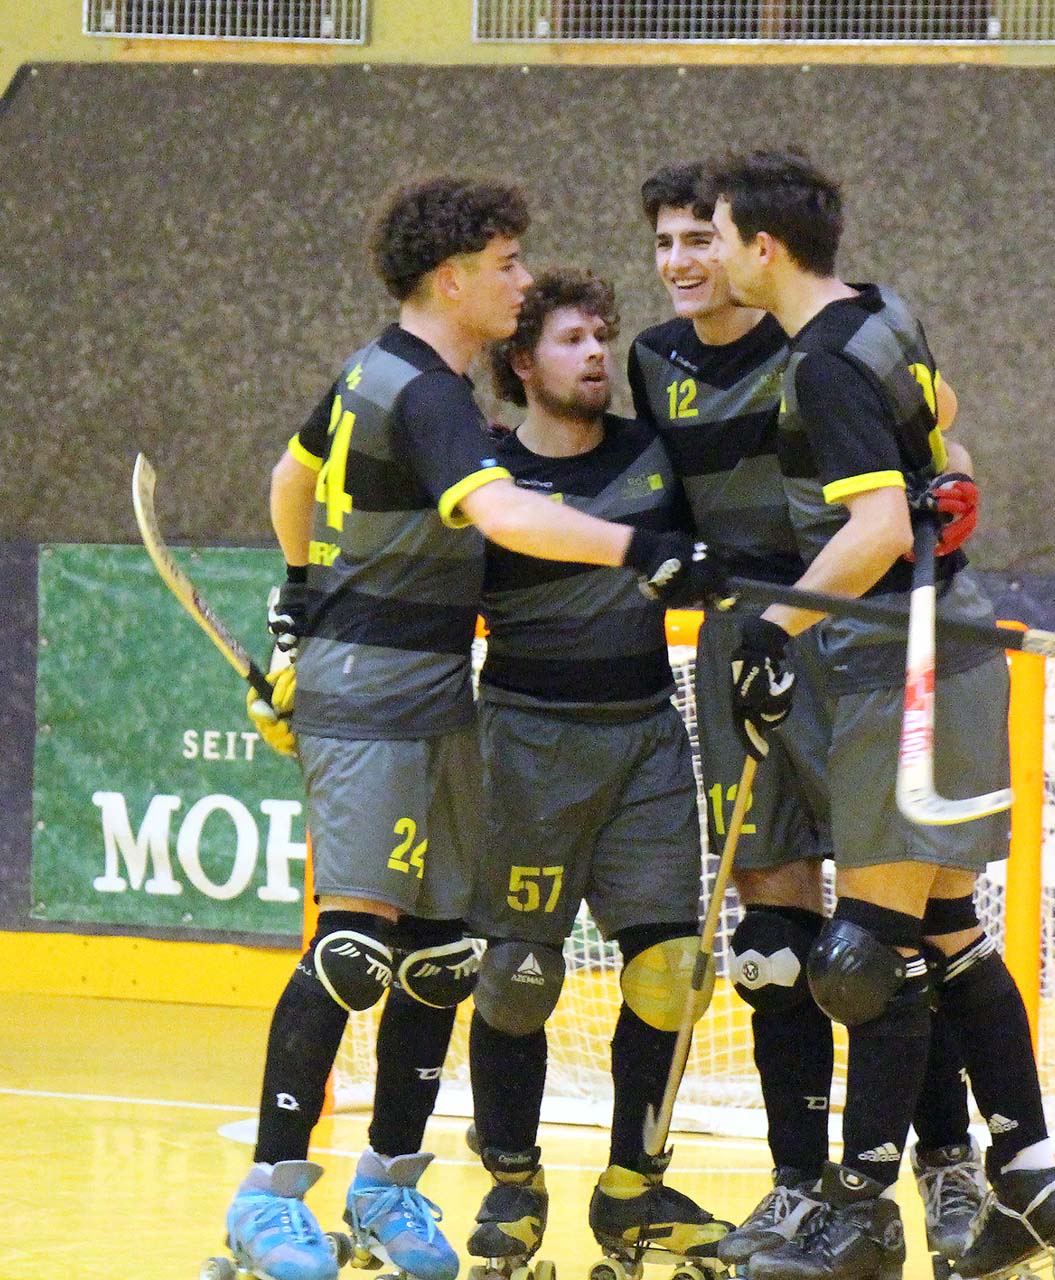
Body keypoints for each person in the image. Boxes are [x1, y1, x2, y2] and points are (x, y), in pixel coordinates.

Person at [228, 176, 726, 1280]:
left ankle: (387, 1187)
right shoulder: (423, 393)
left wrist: (299, 591)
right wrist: (636, 547)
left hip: (438, 688)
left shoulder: (383, 371)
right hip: (374, 694)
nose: (521, 280)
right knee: (353, 949)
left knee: (440, 956)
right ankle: (266, 1195)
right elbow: (500, 511)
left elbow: (290, 477)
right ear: (453, 279)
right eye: (507, 264)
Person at [705, 148, 1055, 1280]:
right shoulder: (884, 312)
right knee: (947, 934)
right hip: (954, 649)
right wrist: (939, 476)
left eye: (720, 237)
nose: (715, 256)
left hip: (899, 666)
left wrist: (772, 627)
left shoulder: (820, 365)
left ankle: (861, 1215)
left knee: (864, 959)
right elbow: (944, 418)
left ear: (763, 249)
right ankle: (1033, 1181)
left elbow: (876, 528)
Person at [625, 163, 986, 1271]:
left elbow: (939, 435)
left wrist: (953, 485)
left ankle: (948, 1163)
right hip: (745, 645)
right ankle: (796, 1186)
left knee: (885, 935)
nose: (683, 261)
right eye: (666, 242)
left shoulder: (819, 340)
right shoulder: (652, 360)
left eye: (702, 237)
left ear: (753, 246)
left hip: (847, 634)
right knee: (773, 945)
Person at [460, 268, 731, 1274]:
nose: (595, 355)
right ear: (522, 362)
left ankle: (632, 1191)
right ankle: (512, 1184)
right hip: (525, 747)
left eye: (601, 337)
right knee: (516, 978)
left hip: (647, 739)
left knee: (673, 974)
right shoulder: (488, 477)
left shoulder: (656, 453)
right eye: (571, 340)